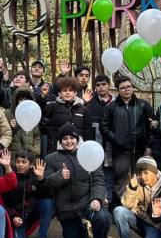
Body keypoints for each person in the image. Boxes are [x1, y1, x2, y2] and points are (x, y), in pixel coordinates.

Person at [42, 124, 112, 238]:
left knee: (103, 218)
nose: (69, 141)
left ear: (77, 138)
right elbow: (46, 183)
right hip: (67, 208)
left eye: (72, 138)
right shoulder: (51, 158)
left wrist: (97, 199)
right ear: (60, 141)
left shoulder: (89, 154)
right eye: (65, 138)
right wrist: (60, 176)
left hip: (87, 202)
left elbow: (99, 179)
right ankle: (81, 229)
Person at [100, 76, 153, 197]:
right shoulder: (111, 107)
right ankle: (120, 207)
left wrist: (148, 145)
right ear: (118, 90)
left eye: (129, 87)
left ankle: (140, 205)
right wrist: (116, 138)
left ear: (133, 88)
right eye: (123, 88)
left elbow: (150, 127)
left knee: (141, 178)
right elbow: (104, 127)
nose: (126, 90)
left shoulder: (143, 105)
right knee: (120, 180)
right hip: (120, 151)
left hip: (140, 149)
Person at [112, 156, 161, 238]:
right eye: (140, 173)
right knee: (119, 211)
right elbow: (126, 205)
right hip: (141, 220)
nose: (143, 176)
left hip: (156, 225)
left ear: (154, 172)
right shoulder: (138, 182)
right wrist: (132, 188)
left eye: (146, 173)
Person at [3, 151, 54, 238]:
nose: (20, 165)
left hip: (30, 213)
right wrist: (13, 216)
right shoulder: (10, 176)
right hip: (18, 216)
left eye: (24, 162)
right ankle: (20, 233)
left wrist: (41, 179)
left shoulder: (35, 176)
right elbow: (4, 201)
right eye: (18, 162)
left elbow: (47, 194)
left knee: (47, 203)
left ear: (30, 164)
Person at [84, 74, 114, 202]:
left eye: (104, 84)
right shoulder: (90, 102)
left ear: (109, 85)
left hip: (112, 145)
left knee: (110, 175)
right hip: (94, 144)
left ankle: (111, 202)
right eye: (98, 85)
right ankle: (95, 202)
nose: (101, 87)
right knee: (94, 175)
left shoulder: (116, 102)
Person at [41, 76, 87, 153]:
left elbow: (87, 130)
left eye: (70, 90)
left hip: (78, 149)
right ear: (59, 93)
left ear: (75, 92)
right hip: (56, 149)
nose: (68, 93)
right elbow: (42, 119)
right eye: (64, 90)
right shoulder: (52, 106)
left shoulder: (83, 109)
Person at [6, 85, 41, 158]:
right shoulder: (8, 113)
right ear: (16, 100)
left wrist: (36, 150)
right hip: (13, 157)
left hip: (29, 157)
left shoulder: (33, 113)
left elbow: (36, 136)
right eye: (21, 99)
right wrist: (11, 128)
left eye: (26, 99)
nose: (24, 102)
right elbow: (3, 135)